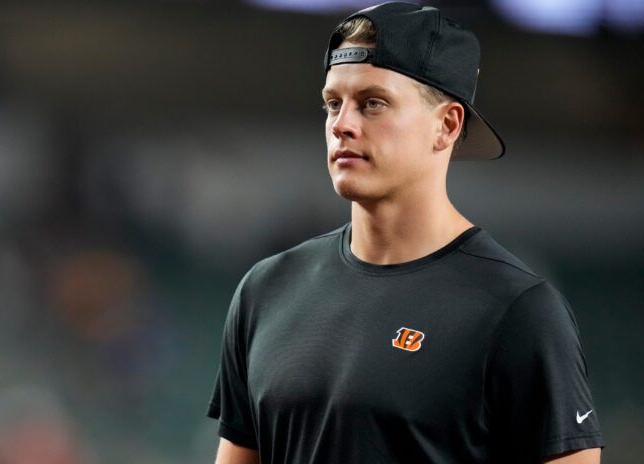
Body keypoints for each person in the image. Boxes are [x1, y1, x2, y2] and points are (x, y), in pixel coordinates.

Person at [206, 2, 605, 463]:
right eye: (333, 103)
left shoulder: (517, 311)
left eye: (372, 103)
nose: (342, 125)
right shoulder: (266, 290)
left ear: (447, 125)